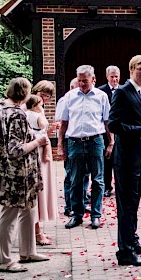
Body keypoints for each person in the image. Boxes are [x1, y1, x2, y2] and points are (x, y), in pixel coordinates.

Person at [0, 77, 50, 272]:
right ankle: (3, 259)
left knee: (29, 209)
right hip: (16, 174)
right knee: (9, 214)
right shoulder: (15, 114)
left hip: (12, 171)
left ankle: (27, 251)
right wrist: (38, 142)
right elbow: (14, 149)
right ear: (24, 93)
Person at [109, 55, 141, 266]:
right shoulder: (122, 92)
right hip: (126, 158)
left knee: (135, 203)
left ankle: (133, 240)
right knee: (126, 206)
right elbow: (114, 124)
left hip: (140, 157)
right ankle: (125, 252)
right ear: (131, 69)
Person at [57, 65, 111, 230]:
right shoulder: (70, 97)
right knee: (75, 180)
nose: (81, 84)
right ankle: (77, 214)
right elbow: (64, 123)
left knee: (98, 180)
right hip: (75, 142)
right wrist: (60, 145)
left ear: (93, 79)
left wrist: (111, 142)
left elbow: (107, 122)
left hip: (95, 141)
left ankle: (95, 215)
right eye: (79, 81)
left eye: (85, 81)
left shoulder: (102, 97)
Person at [26, 95, 58, 245]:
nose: (43, 105)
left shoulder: (26, 115)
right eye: (40, 103)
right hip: (38, 153)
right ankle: (36, 232)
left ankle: (37, 230)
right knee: (39, 191)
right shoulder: (35, 115)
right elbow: (44, 127)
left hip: (36, 152)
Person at [54, 78, 85, 217]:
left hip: (82, 142)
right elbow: (60, 123)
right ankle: (69, 206)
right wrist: (60, 145)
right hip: (69, 141)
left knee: (83, 174)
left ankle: (81, 203)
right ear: (73, 88)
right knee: (71, 174)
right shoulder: (65, 100)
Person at [99, 66, 121, 197]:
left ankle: (120, 186)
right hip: (105, 131)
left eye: (116, 76)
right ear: (107, 77)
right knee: (107, 161)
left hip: (121, 131)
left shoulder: (124, 90)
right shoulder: (101, 91)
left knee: (120, 161)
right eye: (112, 76)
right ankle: (107, 186)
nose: (115, 79)